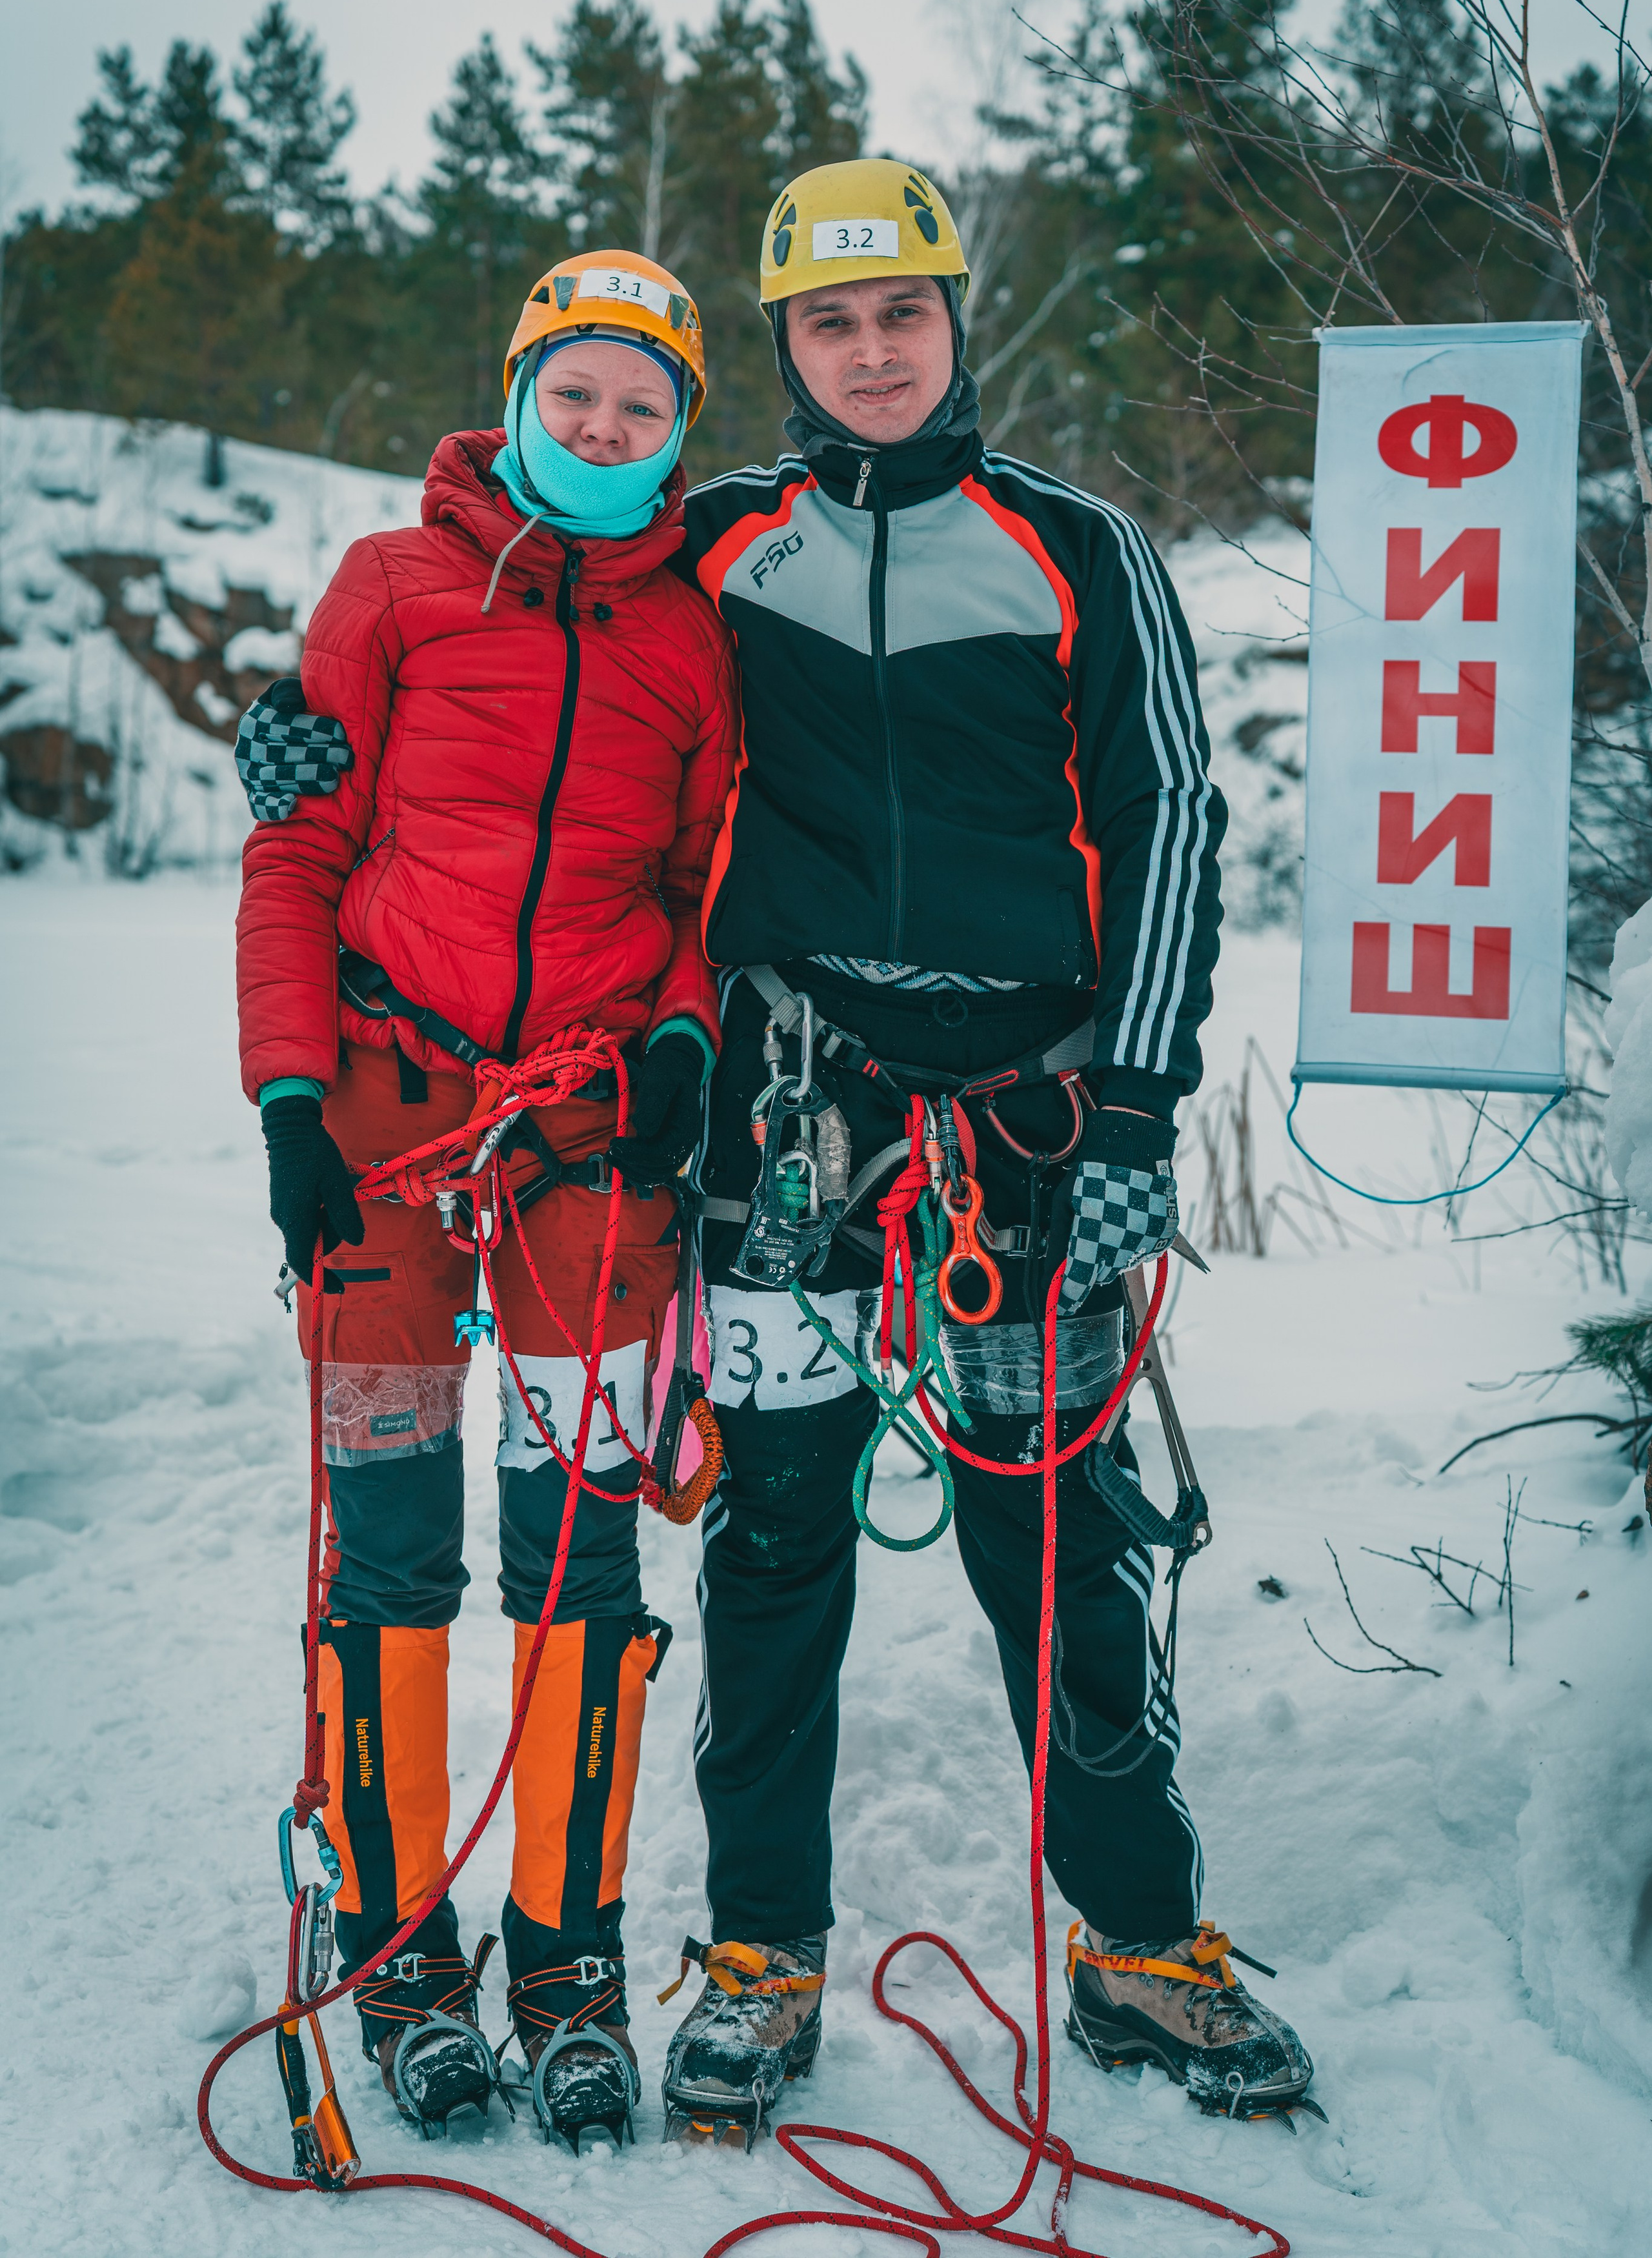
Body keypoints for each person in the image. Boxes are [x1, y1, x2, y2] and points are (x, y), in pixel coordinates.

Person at [236, 162, 1316, 2146]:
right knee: (774, 1532)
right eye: (831, 323)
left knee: (1063, 1535)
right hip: (786, 1107)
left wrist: (1145, 1100)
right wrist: (297, 738)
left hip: (1031, 1112)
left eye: (904, 311)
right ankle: (758, 1953)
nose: (874, 350)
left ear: (956, 320)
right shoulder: (713, 543)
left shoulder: (1081, 545)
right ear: (785, 348)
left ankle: (1144, 1937)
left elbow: (1171, 818)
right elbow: (530, 663)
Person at [235, 252, 736, 2150]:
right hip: (378, 1129)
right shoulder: (390, 585)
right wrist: (290, 1100)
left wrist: (683, 1041)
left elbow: (708, 888)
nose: (603, 429)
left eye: (643, 405)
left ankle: (571, 1963)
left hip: (593, 1162)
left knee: (584, 1569)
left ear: (680, 430)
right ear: (516, 395)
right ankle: (397, 1954)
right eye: (576, 393)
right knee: (387, 1566)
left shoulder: (698, 634)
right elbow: (297, 852)